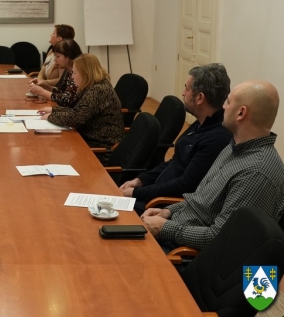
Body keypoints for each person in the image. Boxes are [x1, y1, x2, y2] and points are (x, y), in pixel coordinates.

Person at [141, 80, 284, 252]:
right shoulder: (234, 147)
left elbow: (222, 239)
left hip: (183, 253)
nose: (223, 106)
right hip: (175, 230)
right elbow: (200, 200)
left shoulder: (255, 173)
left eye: (228, 102)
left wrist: (164, 228)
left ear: (241, 113)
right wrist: (167, 212)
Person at [119, 64, 232, 214]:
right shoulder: (202, 123)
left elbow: (185, 186)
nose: (183, 93)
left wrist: (138, 193)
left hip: (161, 208)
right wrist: (140, 180)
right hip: (153, 196)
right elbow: (175, 162)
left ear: (200, 98)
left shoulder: (217, 139)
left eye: (187, 88)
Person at [38, 54, 124, 162]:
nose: (72, 77)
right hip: (88, 139)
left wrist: (50, 116)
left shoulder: (97, 90)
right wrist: (54, 109)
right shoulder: (93, 85)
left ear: (85, 73)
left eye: (75, 73)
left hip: (100, 149)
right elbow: (78, 110)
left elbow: (76, 118)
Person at [28, 39, 82, 107]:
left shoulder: (78, 73)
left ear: (69, 56)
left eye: (57, 56)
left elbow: (66, 100)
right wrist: (46, 86)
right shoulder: (68, 71)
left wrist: (41, 92)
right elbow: (61, 91)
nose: (55, 60)